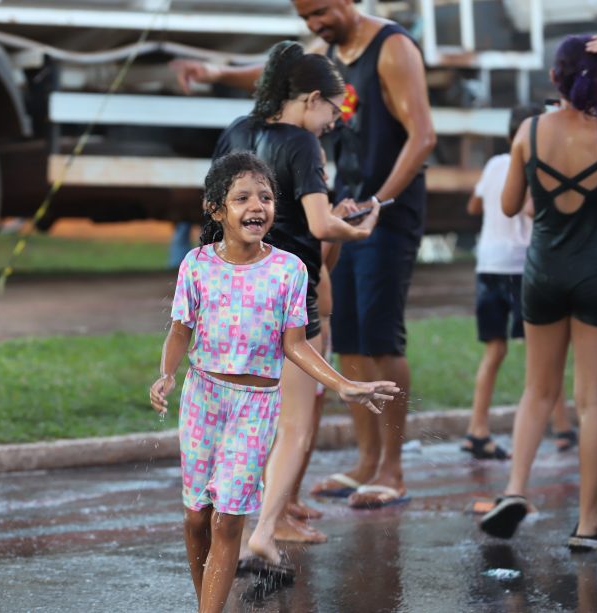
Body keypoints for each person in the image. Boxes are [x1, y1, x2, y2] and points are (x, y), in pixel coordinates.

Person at [173, 0, 436, 510]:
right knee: (353, 338)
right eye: (305, 16)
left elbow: (422, 136)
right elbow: (277, 75)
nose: (314, 23)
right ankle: (364, 461)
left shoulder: (392, 47)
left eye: (319, 10)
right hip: (344, 208)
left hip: (386, 210)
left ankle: (392, 470)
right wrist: (216, 72)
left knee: (383, 337)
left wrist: (379, 201)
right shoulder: (331, 47)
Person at [149, 152, 397, 613]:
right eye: (242, 198)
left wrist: (341, 384)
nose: (256, 206)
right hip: (203, 399)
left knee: (228, 521)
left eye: (265, 197)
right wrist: (166, 374)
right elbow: (180, 330)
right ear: (216, 209)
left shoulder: (289, 270)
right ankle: (205, 598)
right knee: (196, 517)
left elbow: (297, 345)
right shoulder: (197, 265)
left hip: (256, 405)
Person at [478, 35, 597, 550]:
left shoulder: (529, 130)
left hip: (543, 273)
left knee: (538, 392)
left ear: (554, 79)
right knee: (594, 404)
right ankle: (589, 525)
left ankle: (515, 489)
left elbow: (509, 203)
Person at [212, 41, 380, 553]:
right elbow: (316, 225)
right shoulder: (302, 144)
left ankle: (235, 531)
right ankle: (264, 531)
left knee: (246, 417)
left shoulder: (237, 130)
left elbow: (217, 208)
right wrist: (357, 228)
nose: (333, 121)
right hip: (287, 295)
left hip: (234, 289)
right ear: (311, 99)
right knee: (295, 425)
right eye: (333, 109)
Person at [463, 104, 575, 460]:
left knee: (494, 351)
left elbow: (473, 208)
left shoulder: (495, 164)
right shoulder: (536, 165)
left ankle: (477, 429)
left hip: (488, 265)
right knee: (544, 351)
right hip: (521, 266)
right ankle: (561, 428)